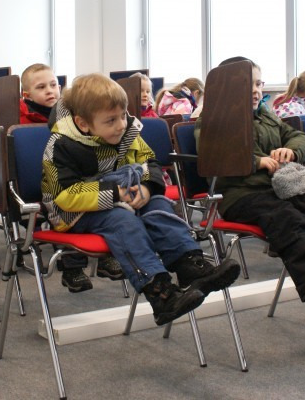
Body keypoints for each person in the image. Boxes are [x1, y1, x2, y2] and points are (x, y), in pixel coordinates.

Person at [41, 73, 240, 326]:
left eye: (123, 116)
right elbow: (65, 196)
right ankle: (161, 294)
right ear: (83, 123)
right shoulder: (61, 145)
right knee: (123, 221)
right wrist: (116, 194)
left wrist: (146, 188)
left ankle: (189, 265)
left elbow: (149, 163)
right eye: (111, 120)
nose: (121, 125)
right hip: (73, 212)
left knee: (159, 205)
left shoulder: (127, 132)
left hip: (122, 195)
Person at [197, 57, 305, 343]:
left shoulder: (266, 114)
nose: (256, 90)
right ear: (229, 89)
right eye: (250, 85)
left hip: (276, 192)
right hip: (240, 195)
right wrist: (257, 161)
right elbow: (216, 156)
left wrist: (291, 151)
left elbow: (300, 137)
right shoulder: (212, 120)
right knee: (291, 220)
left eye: (258, 83)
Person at [19, 63, 124, 292]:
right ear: (26, 95)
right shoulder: (21, 123)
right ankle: (72, 268)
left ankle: (106, 257)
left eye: (53, 85)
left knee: (103, 202)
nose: (50, 90)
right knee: (68, 209)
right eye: (41, 87)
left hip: (78, 180)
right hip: (50, 188)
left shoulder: (79, 114)